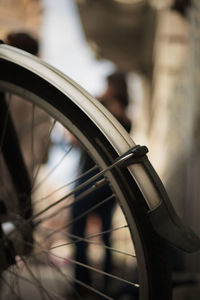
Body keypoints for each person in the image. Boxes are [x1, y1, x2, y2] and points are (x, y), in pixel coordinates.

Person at [71, 71, 131, 297]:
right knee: (106, 234)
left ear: (115, 87)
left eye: (108, 85)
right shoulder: (120, 113)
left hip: (92, 177)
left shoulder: (107, 108)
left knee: (77, 230)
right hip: (111, 182)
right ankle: (105, 285)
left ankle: (82, 284)